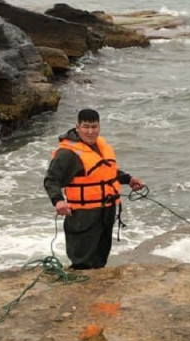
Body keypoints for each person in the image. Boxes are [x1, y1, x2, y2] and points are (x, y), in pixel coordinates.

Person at [44, 109, 145, 269]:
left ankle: (99, 290)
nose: (90, 131)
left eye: (94, 127)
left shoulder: (100, 145)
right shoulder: (68, 153)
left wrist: (128, 179)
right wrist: (58, 201)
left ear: (99, 127)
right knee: (82, 262)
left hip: (106, 211)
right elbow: (51, 180)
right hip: (83, 216)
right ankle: (79, 291)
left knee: (100, 259)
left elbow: (105, 172)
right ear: (77, 127)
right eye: (86, 127)